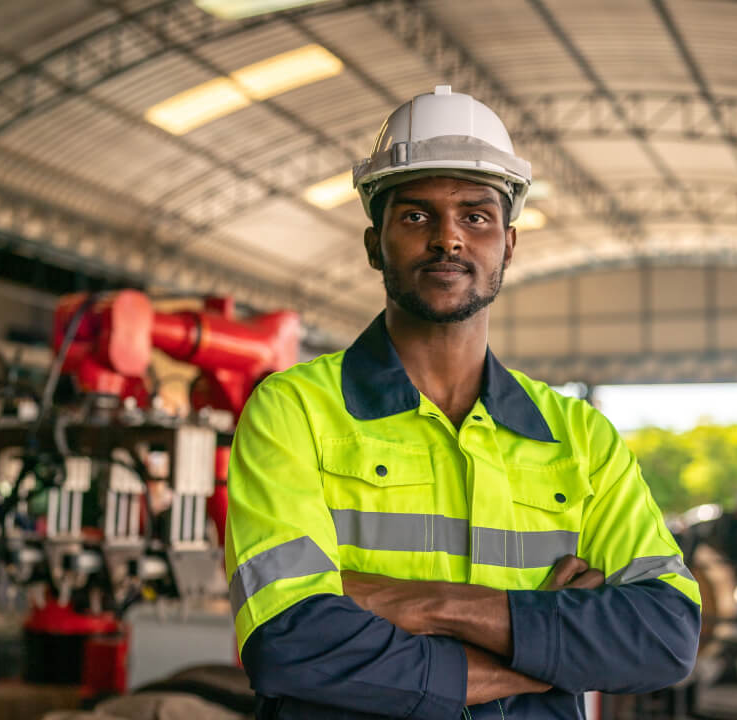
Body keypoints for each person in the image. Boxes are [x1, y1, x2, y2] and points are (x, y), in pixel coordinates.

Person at [224, 86, 701, 720]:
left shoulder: (580, 437)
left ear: (508, 244)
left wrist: (429, 605)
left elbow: (665, 634)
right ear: (375, 245)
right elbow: (290, 642)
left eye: (476, 216)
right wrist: (543, 651)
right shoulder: (294, 411)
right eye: (415, 216)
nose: (448, 239)